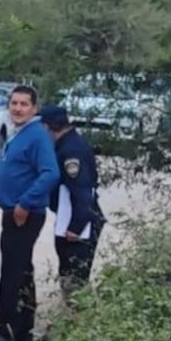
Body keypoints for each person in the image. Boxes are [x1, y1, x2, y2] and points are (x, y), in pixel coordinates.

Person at [0, 85, 59, 341]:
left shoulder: (37, 136)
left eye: (24, 104)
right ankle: (10, 327)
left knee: (17, 272)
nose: (18, 109)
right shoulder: (20, 132)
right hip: (13, 212)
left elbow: (50, 173)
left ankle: (14, 333)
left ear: (34, 108)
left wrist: (25, 203)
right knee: (14, 269)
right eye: (14, 103)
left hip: (24, 214)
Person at [39, 103, 105, 298]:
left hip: (80, 224)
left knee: (74, 278)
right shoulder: (66, 145)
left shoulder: (71, 151)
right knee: (69, 274)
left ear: (47, 126)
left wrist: (76, 227)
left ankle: (75, 315)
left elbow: (82, 192)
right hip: (70, 219)